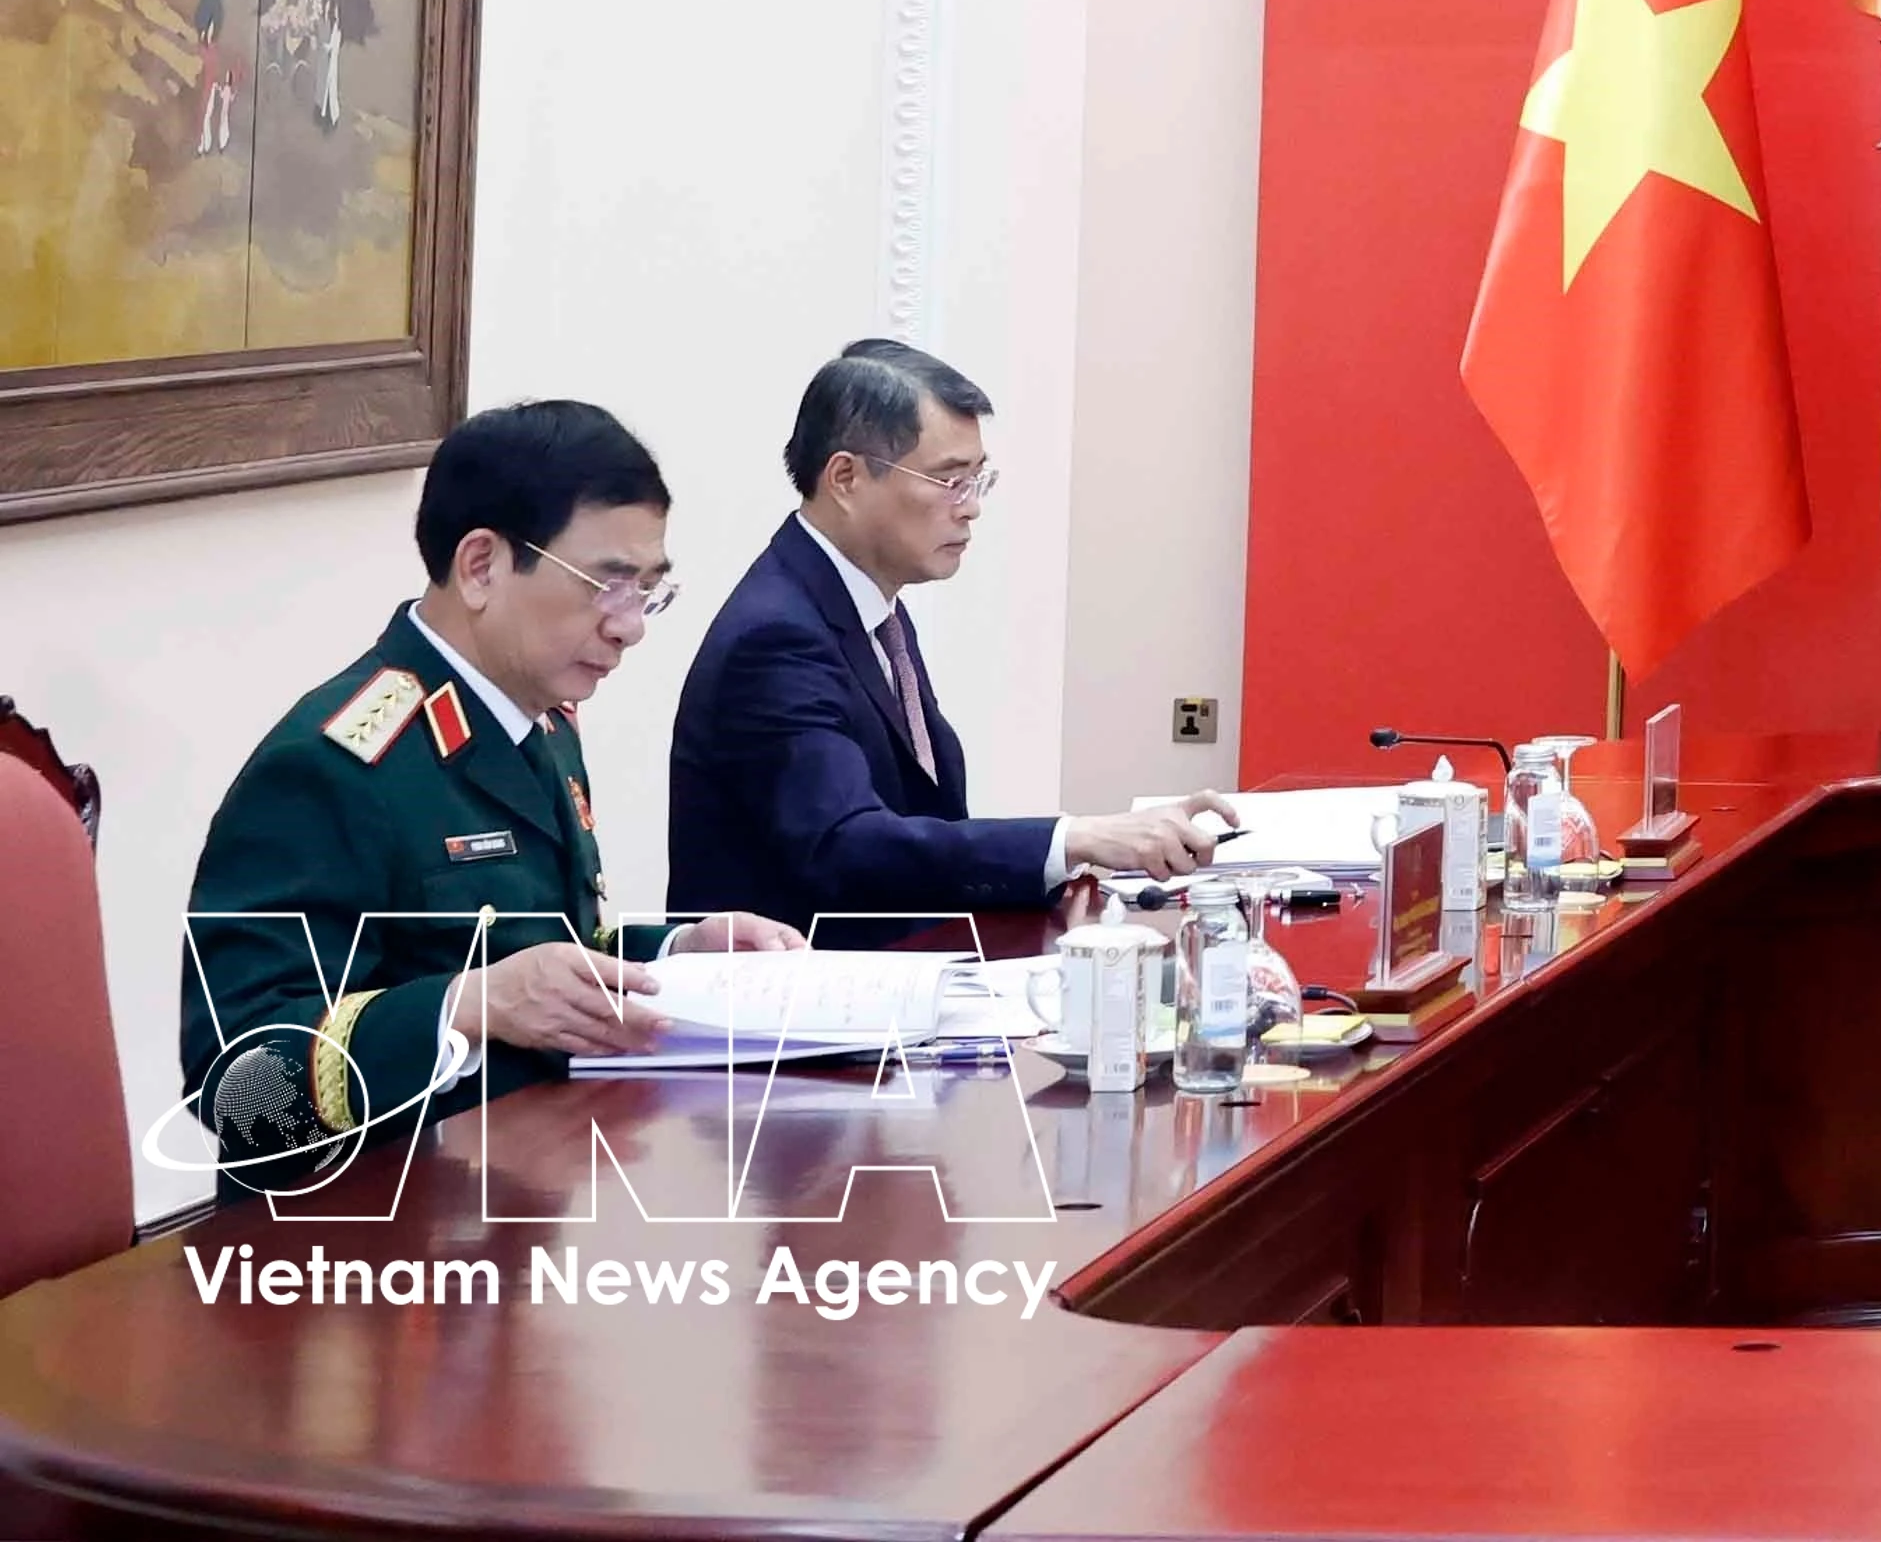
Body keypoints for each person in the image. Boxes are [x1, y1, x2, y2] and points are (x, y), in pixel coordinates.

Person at [177, 401, 802, 1196]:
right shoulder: (331, 767)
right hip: (369, 1232)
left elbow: (538, 950)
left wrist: (676, 955)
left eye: (648, 591)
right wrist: (464, 1006)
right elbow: (235, 1089)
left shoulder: (538, 722)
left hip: (523, 1194)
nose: (631, 627)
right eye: (607, 585)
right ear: (480, 567)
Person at [667, 340, 1231, 932]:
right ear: (846, 478)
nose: (971, 508)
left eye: (977, 479)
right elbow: (845, 845)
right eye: (949, 480)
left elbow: (923, 821)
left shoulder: (871, 610)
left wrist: (1084, 855)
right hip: (785, 983)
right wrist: (1074, 838)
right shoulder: (777, 637)